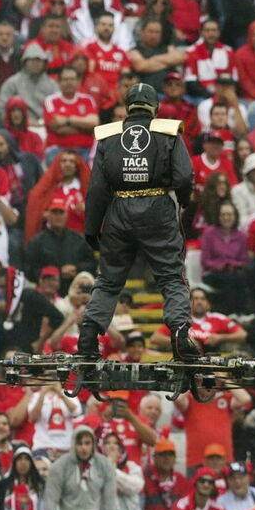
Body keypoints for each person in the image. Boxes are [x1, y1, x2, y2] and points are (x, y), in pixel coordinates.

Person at [76, 83, 197, 361]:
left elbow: (96, 189)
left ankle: (88, 336)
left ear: (127, 105)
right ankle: (179, 332)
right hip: (158, 210)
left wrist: (92, 227)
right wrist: (184, 200)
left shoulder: (108, 136)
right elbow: (183, 177)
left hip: (119, 210)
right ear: (155, 107)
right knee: (171, 277)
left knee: (108, 280)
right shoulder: (168, 132)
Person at [44, 425, 117, 510]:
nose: (83, 448)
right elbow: (51, 502)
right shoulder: (59, 467)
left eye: (87, 443)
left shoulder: (104, 465)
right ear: (73, 444)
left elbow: (110, 500)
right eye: (79, 443)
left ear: (93, 444)